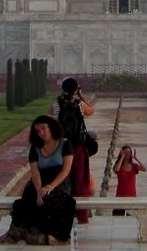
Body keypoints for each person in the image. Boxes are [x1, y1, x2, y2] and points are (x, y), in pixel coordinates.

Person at [0, 115, 76, 245]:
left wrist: (50, 186)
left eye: (44, 128)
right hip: (39, 182)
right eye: (38, 131)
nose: (41, 133)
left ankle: (56, 236)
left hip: (59, 182)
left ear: (51, 127)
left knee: (49, 197)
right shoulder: (35, 149)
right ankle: (15, 234)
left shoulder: (65, 144)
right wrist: (39, 190)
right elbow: (35, 172)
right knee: (29, 197)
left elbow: (66, 170)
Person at [54, 78, 94, 223]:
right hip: (77, 148)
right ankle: (82, 216)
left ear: (62, 89)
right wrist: (80, 95)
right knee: (80, 180)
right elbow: (91, 111)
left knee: (62, 179)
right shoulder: (80, 105)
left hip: (62, 148)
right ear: (76, 89)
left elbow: (51, 119)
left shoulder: (56, 105)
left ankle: (63, 214)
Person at [112, 144, 147, 214]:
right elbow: (116, 170)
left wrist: (136, 158)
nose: (128, 154)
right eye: (125, 152)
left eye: (129, 152)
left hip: (132, 195)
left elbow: (144, 169)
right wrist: (122, 157)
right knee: (117, 216)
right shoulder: (119, 165)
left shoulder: (134, 166)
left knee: (131, 217)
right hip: (120, 195)